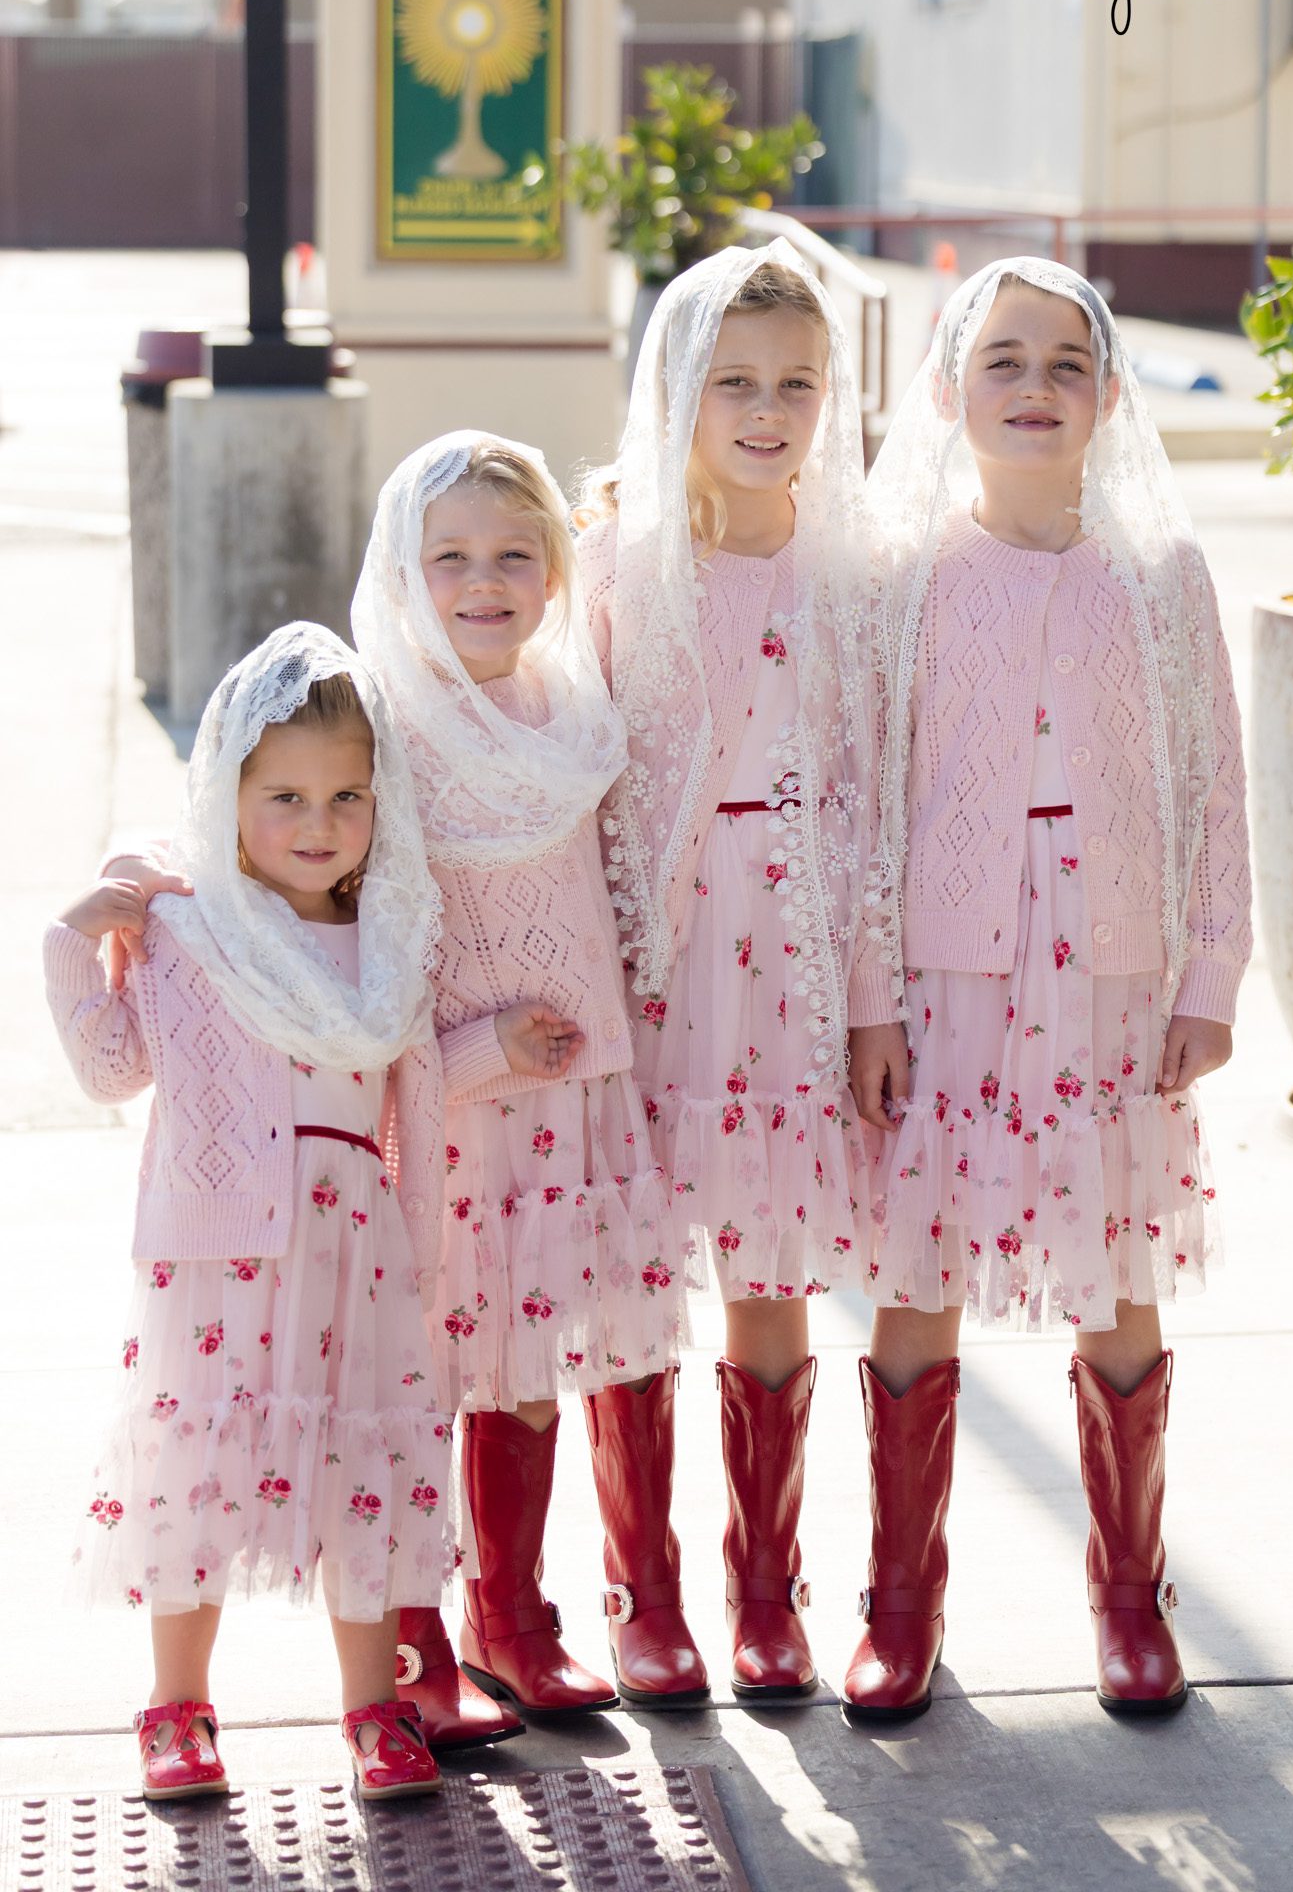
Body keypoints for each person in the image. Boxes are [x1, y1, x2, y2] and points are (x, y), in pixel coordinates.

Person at [844, 258, 1251, 1722]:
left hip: (1111, 964)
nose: (1034, 386)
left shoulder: (1159, 578)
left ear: (1110, 392)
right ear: (952, 390)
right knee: (919, 1271)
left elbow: (1213, 789)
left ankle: (1130, 1598)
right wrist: (869, 996)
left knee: (1114, 1273)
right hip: (948, 971)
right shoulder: (902, 583)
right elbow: (864, 802)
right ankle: (900, 1604)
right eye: (1002, 359)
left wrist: (1206, 972)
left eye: (1066, 362)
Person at [44, 624, 472, 1801]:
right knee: (201, 1462)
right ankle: (176, 1706)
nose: (317, 819)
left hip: (353, 1249)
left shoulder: (385, 945)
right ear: (226, 793)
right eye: (283, 792)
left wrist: (497, 1049)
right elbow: (114, 1067)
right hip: (220, 1251)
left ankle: (374, 1709)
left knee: (360, 1469)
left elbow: (420, 1075)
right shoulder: (190, 931)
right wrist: (78, 936)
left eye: (346, 794)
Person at [352, 432, 706, 1719]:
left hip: (572, 1097)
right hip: (453, 1104)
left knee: (530, 1354)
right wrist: (470, 1052)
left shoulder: (575, 711)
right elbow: (346, 928)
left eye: (514, 554)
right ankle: (411, 1646)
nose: (484, 580)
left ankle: (511, 1615)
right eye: (451, 557)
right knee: (430, 1366)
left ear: (556, 571)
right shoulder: (384, 725)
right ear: (404, 572)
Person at [574, 240, 879, 1700]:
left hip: (799, 955)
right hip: (655, 958)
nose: (766, 410)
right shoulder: (618, 559)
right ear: (679, 388)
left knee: (770, 1261)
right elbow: (566, 770)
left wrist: (871, 995)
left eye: (797, 384)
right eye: (734, 381)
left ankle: (769, 1589)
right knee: (636, 1271)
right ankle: (647, 1594)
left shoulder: (852, 568)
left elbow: (877, 793)